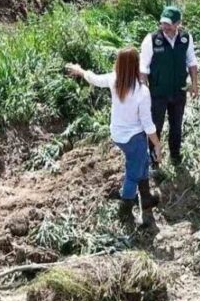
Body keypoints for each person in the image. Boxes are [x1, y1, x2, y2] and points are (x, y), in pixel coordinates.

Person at [66, 48, 162, 224]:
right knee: (133, 173)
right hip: (134, 137)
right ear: (136, 65)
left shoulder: (114, 80)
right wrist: (157, 144)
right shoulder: (141, 92)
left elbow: (94, 79)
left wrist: (80, 71)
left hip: (118, 135)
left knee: (142, 161)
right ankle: (125, 211)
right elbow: (148, 124)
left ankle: (146, 197)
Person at [140, 6, 200, 166]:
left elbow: (192, 62)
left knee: (176, 126)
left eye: (169, 24)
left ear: (178, 23)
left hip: (179, 91)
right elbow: (143, 68)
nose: (164, 27)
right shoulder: (152, 40)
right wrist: (143, 91)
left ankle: (175, 156)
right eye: (163, 23)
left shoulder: (186, 38)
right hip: (157, 93)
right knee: (155, 127)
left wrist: (194, 84)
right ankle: (154, 160)